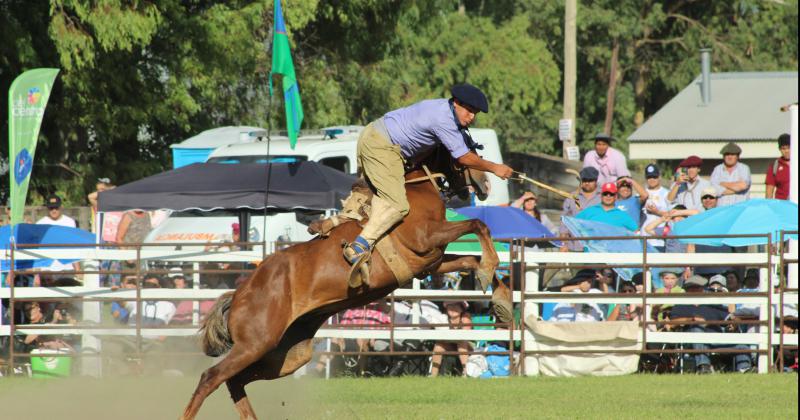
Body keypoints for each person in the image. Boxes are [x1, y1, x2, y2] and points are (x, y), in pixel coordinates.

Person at [340, 84, 514, 273]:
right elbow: (463, 157)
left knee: (382, 194)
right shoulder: (443, 120)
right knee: (397, 205)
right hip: (382, 146)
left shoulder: (441, 109)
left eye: (475, 113)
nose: (472, 117)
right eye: (469, 111)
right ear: (456, 103)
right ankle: (358, 247)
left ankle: (344, 221)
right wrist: (495, 167)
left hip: (377, 138)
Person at [670, 275, 753, 374]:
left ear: (702, 289)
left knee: (741, 343)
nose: (694, 290)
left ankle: (744, 368)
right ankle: (704, 366)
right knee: (697, 329)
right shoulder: (681, 306)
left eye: (697, 287)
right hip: (693, 342)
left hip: (716, 339)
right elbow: (671, 324)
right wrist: (691, 319)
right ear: (687, 290)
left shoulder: (712, 304)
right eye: (691, 288)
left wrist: (734, 321)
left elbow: (730, 317)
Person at [559, 166, 601, 251]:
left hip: (597, 247)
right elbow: (564, 221)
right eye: (584, 180)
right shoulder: (572, 197)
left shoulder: (604, 197)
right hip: (575, 246)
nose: (587, 183)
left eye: (590, 180)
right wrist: (563, 244)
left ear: (596, 180)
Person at [430, 300, 472, 377]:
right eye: (450, 306)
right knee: (439, 345)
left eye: (456, 306)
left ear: (461, 309)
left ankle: (466, 373)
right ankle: (433, 375)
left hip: (467, 346)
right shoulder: (443, 318)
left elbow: (466, 334)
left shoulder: (465, 317)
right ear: (446, 308)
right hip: (450, 345)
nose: (453, 308)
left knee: (461, 343)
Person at [710, 142, 751, 206]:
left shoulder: (744, 168)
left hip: (740, 208)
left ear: (738, 156)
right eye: (727, 154)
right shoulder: (717, 169)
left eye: (732, 154)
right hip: (722, 209)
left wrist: (722, 183)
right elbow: (714, 190)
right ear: (723, 156)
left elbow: (743, 186)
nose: (729, 157)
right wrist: (736, 189)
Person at [641, 164, 671, 247]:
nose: (652, 180)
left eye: (654, 177)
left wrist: (657, 212)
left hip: (660, 239)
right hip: (644, 238)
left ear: (659, 177)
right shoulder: (642, 194)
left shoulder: (667, 193)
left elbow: (672, 215)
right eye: (649, 177)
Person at [765, 133, 791, 200]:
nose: (786, 151)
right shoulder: (774, 166)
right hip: (782, 206)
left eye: (789, 147)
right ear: (779, 149)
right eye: (783, 148)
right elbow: (769, 192)